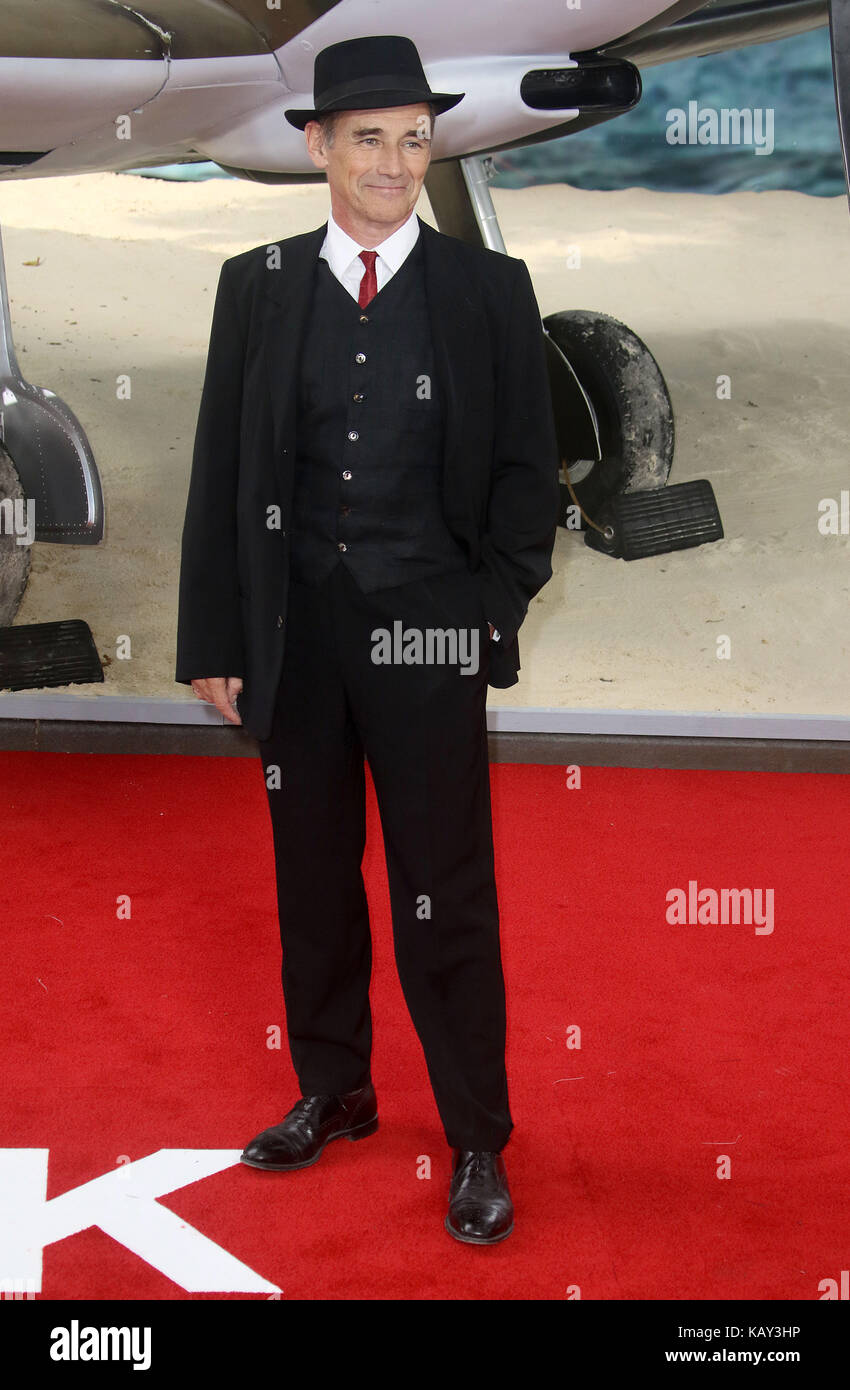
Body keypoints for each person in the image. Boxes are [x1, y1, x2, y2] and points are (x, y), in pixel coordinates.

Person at [175, 34, 560, 1244]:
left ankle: (476, 1138)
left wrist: (485, 613)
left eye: (413, 137)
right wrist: (215, 636)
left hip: (427, 638)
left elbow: (524, 478)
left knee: (443, 893)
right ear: (317, 148)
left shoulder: (488, 291)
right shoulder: (258, 280)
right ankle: (335, 1088)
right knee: (312, 881)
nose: (395, 162)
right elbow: (221, 475)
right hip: (298, 634)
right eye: (368, 139)